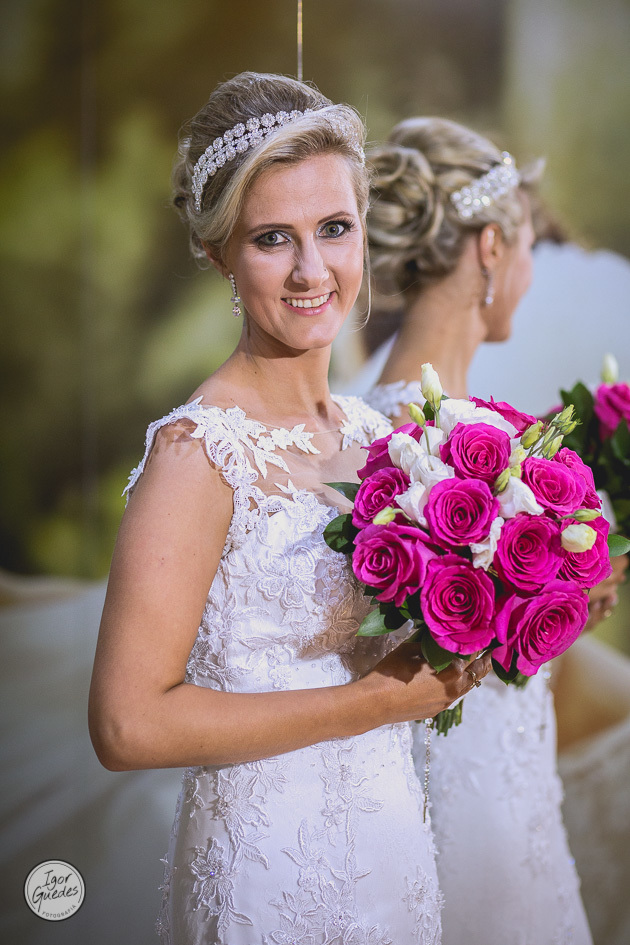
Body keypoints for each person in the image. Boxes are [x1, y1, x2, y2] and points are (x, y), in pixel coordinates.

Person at [88, 75, 492, 945]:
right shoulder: (200, 453)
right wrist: (373, 702)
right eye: (273, 238)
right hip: (264, 879)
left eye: (334, 228)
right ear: (219, 253)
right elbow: (127, 724)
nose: (313, 271)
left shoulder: (381, 437)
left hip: (391, 854)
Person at [362, 117, 597, 945]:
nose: (531, 271)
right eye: (528, 246)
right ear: (491, 247)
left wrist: (570, 599)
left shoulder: (361, 431)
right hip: (469, 811)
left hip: (466, 797)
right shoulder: (458, 445)